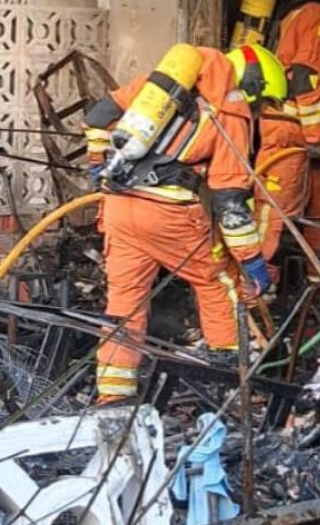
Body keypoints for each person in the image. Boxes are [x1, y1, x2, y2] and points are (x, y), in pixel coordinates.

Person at [83, 43, 288, 405]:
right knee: (217, 283)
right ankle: (232, 385)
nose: (258, 111)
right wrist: (252, 261)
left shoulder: (160, 88)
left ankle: (113, 396)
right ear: (253, 85)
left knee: (124, 302)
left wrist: (97, 161)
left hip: (117, 206)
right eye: (262, 102)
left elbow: (98, 115)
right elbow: (229, 200)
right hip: (168, 214)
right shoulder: (232, 111)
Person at [250, 1, 320, 281]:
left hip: (288, 125)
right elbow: (306, 77)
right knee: (275, 210)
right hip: (292, 130)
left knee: (319, 202)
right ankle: (259, 287)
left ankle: (316, 278)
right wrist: (318, 136)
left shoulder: (297, 13)